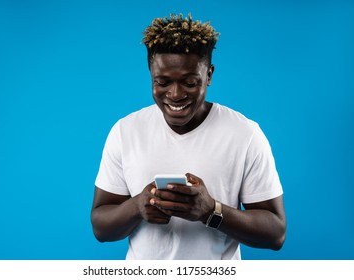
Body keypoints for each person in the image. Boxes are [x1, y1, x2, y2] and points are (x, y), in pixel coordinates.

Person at [91, 13, 286, 260]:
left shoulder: (245, 134)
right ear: (151, 74)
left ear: (209, 75)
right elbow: (100, 227)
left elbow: (275, 233)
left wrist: (210, 211)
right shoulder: (126, 131)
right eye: (162, 82)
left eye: (190, 82)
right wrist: (137, 207)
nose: (175, 94)